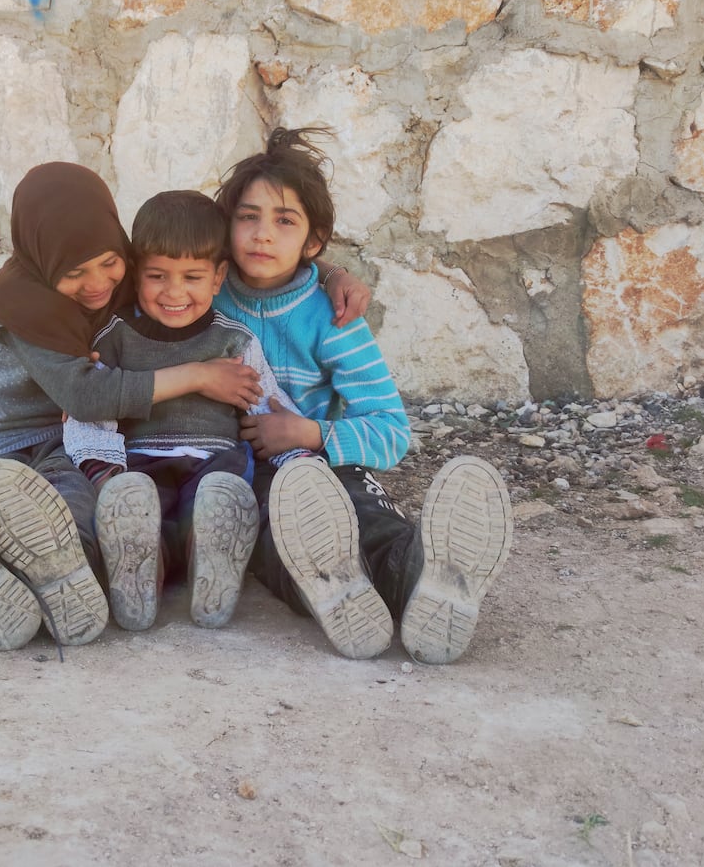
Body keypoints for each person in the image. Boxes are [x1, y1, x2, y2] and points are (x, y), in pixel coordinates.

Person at [0, 162, 266, 652]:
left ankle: (48, 581)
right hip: (12, 447)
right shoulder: (24, 303)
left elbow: (195, 260)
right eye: (74, 273)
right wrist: (199, 375)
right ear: (45, 260)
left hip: (69, 447)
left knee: (79, 515)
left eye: (110, 262)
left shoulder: (127, 273)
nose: (97, 284)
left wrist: (330, 273)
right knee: (18, 500)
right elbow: (85, 396)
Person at [212, 127, 513, 663]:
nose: (262, 235)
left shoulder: (334, 317)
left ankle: (425, 579)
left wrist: (311, 432)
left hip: (328, 465)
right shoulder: (201, 296)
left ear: (314, 241)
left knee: (369, 521)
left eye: (285, 221)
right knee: (271, 540)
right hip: (247, 474)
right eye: (248, 216)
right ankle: (338, 590)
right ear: (225, 225)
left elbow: (391, 431)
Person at [63, 190, 309, 633]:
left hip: (215, 464)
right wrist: (105, 473)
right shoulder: (116, 338)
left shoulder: (234, 341)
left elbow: (268, 404)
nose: (174, 292)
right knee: (139, 515)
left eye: (192, 277)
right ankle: (142, 576)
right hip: (141, 467)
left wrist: (298, 456)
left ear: (218, 278)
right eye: (158, 276)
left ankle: (211, 562)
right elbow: (92, 413)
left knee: (216, 501)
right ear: (137, 274)